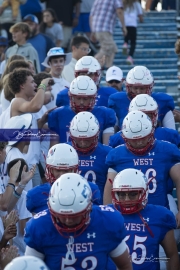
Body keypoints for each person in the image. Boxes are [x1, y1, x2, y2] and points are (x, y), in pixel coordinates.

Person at [24, 173, 132, 270]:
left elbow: (124, 266)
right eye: (61, 216)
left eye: (74, 216)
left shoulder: (107, 222)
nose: (68, 220)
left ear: (89, 208)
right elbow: (29, 267)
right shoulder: (40, 227)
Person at [103, 110, 180, 228]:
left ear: (151, 133)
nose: (139, 142)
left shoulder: (166, 150)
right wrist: (108, 214)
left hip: (159, 209)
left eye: (143, 138)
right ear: (124, 137)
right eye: (134, 140)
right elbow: (110, 185)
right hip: (127, 212)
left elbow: (179, 179)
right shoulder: (117, 154)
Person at [111, 168, 179, 270]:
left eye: (133, 194)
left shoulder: (160, 215)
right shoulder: (107, 215)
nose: (127, 200)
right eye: (121, 194)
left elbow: (172, 255)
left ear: (145, 192)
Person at [26, 143, 101, 215]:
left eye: (66, 170)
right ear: (50, 170)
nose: (62, 175)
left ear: (74, 170)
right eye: (58, 170)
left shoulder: (91, 190)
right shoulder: (35, 195)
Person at [48, 75, 116, 145]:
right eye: (78, 98)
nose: (81, 102)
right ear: (71, 97)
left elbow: (107, 147)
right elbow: (54, 148)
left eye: (85, 99)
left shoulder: (105, 114)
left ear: (93, 98)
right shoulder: (57, 115)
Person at [108, 65, 175, 129]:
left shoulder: (162, 102)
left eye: (142, 88)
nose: (138, 91)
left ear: (149, 87)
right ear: (129, 87)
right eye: (135, 88)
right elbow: (113, 131)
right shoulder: (117, 101)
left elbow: (170, 133)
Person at [69, 111, 112, 203]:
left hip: (97, 203)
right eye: (79, 139)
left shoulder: (108, 153)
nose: (83, 143)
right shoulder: (65, 151)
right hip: (70, 202)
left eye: (87, 140)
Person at [90, 0, 127, 68]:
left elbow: (91, 16)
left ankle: (108, 67)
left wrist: (93, 31)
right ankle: (91, 65)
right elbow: (119, 11)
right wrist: (123, 27)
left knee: (113, 48)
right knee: (106, 49)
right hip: (105, 29)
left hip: (96, 28)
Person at [122, 0, 143, 65]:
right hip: (133, 24)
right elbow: (140, 15)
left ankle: (125, 43)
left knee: (126, 34)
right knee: (133, 42)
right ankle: (130, 56)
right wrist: (141, 20)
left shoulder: (123, 3)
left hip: (124, 23)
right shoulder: (136, 3)